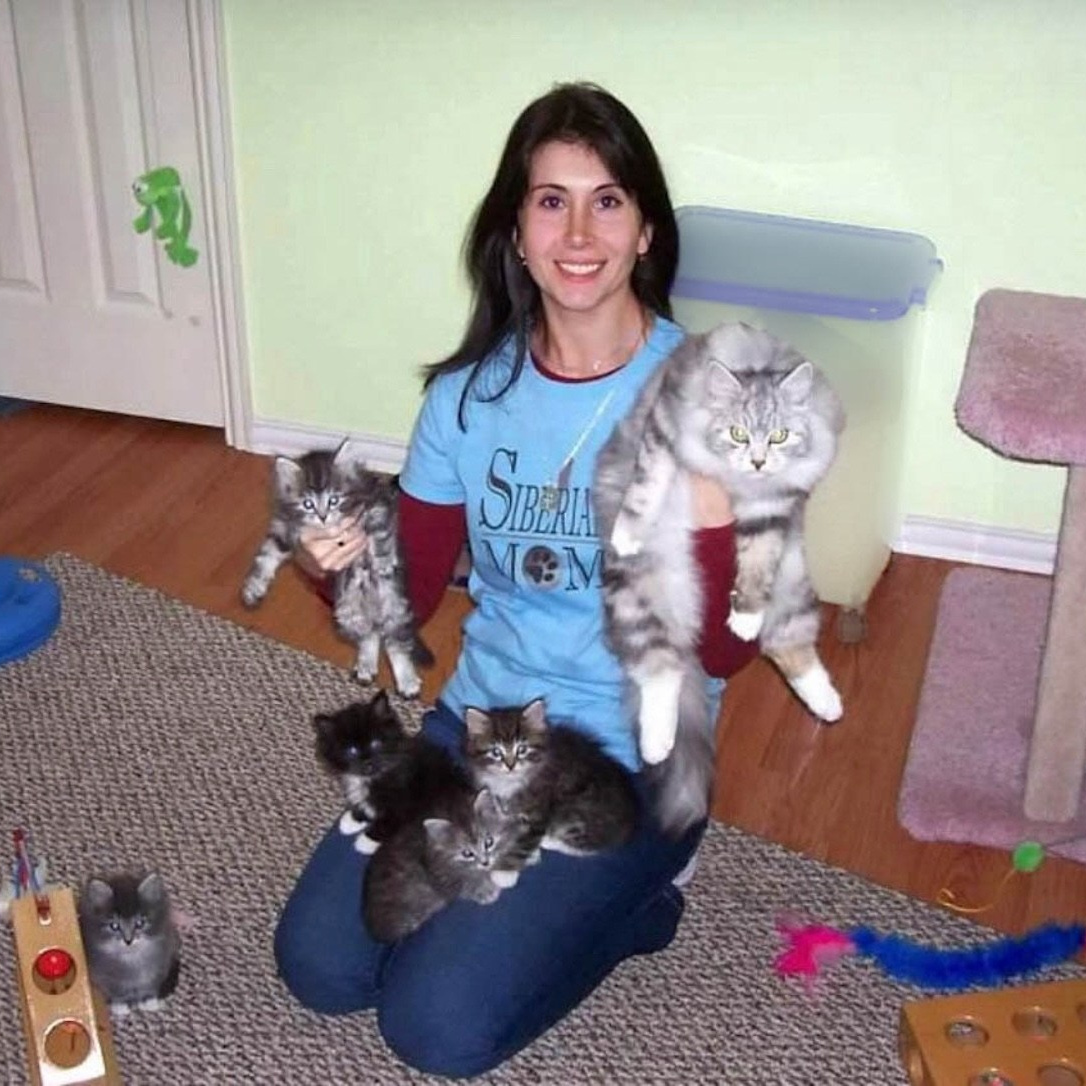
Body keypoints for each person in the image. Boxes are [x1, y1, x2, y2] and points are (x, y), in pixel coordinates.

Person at [274, 81, 758, 1077]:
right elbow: (406, 588)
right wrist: (337, 566)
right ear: (516, 229)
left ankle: (638, 906)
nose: (579, 230)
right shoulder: (467, 397)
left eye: (608, 200)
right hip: (483, 726)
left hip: (635, 762)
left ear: (645, 234)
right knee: (320, 967)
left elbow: (726, 651)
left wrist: (710, 527)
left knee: (434, 1028)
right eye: (550, 200)